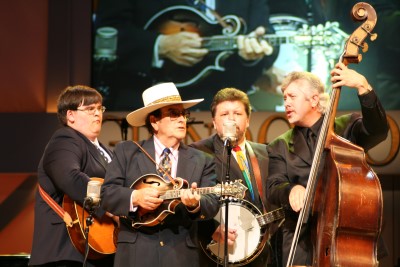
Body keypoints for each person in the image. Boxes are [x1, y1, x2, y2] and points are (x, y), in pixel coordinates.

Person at [266, 62, 389, 266]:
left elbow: (378, 131)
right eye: (284, 97)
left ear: (314, 99)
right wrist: (291, 189)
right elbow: (273, 185)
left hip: (348, 242)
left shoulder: (346, 128)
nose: (286, 102)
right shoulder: (279, 145)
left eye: (292, 97)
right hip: (302, 243)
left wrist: (363, 88)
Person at [100, 82, 220, 267]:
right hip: (135, 253)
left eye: (183, 114)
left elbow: (212, 202)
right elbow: (107, 195)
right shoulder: (127, 152)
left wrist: (195, 205)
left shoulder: (203, 159)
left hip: (181, 255)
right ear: (154, 121)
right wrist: (135, 197)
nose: (182, 119)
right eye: (173, 114)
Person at [93, 0, 277, 111]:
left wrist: (251, 55)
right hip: (147, 105)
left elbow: (267, 37)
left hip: (222, 108)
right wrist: (160, 45)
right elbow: (106, 33)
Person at [190, 88, 283, 266]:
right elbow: (191, 206)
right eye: (224, 114)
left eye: (238, 113)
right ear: (214, 121)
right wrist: (211, 229)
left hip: (260, 253)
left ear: (248, 120)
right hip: (218, 252)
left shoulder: (265, 153)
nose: (231, 119)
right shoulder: (198, 152)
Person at [29, 85, 114, 267]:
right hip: (64, 254)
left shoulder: (106, 152)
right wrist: (114, 205)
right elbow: (71, 178)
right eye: (90, 109)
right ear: (70, 116)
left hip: (95, 252)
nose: (97, 114)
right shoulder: (65, 139)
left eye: (99, 108)